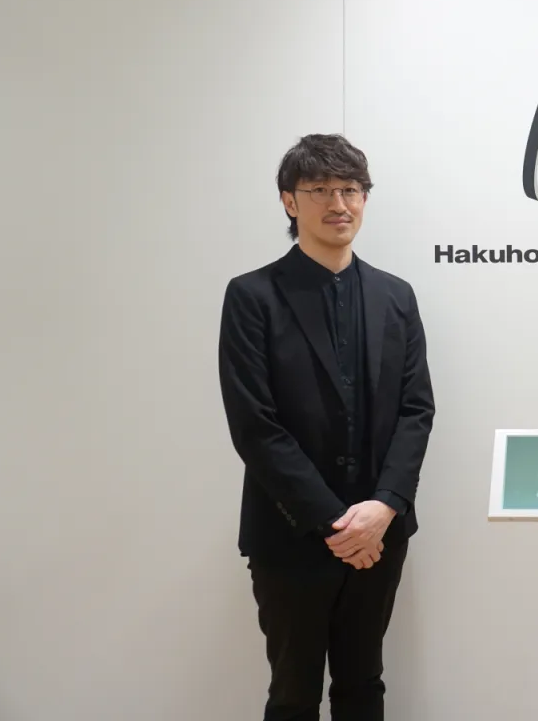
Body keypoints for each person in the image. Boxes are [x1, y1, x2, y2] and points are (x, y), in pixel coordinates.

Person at [218, 133, 435, 721]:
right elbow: (255, 425)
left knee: (364, 685)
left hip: (381, 532)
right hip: (291, 533)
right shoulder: (252, 296)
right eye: (319, 190)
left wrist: (383, 507)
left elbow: (417, 410)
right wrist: (336, 524)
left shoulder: (396, 296)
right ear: (290, 201)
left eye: (351, 189)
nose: (338, 203)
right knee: (293, 695)